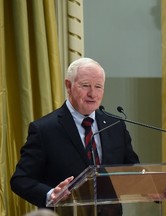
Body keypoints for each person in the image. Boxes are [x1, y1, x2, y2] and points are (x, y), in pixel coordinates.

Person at [10, 57, 140, 215]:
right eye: (85, 86)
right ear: (68, 86)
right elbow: (21, 180)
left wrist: (156, 188)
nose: (92, 93)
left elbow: (132, 171)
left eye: (98, 87)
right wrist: (51, 194)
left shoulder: (115, 125)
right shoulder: (44, 129)